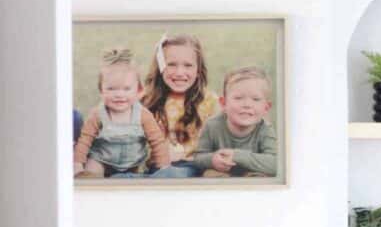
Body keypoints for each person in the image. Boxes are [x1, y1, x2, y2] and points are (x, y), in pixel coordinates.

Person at [73, 49, 170, 177]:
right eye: (111, 89)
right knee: (92, 171)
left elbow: (157, 141)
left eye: (126, 89)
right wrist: (78, 164)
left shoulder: (143, 114)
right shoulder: (98, 114)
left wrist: (163, 166)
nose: (119, 95)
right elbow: (85, 140)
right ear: (101, 91)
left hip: (134, 163)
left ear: (139, 90)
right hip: (102, 160)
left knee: (140, 179)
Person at [142, 34, 219, 178]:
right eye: (171, 64)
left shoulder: (209, 102)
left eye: (188, 65)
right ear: (161, 66)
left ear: (198, 70)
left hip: (189, 167)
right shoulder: (145, 100)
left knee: (171, 175)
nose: (179, 73)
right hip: (153, 167)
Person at [193, 66, 277, 178]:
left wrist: (236, 156)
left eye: (256, 99)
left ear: (266, 108)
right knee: (209, 174)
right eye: (238, 98)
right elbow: (198, 158)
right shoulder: (212, 125)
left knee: (262, 176)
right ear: (224, 104)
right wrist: (212, 160)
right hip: (221, 174)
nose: (247, 105)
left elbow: (275, 164)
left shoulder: (265, 130)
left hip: (253, 176)